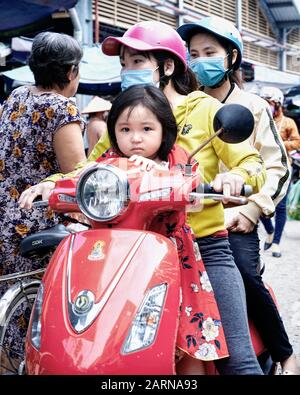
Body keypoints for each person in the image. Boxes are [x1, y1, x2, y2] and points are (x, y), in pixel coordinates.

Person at [19, 21, 266, 375]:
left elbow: (251, 162)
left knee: (237, 362)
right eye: (124, 63)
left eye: (137, 62)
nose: (127, 71)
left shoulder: (204, 109)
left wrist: (233, 178)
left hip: (199, 247)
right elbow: (91, 168)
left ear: (167, 66)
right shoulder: (125, 113)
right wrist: (53, 183)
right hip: (130, 247)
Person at [177, 15, 300, 375]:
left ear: (231, 58)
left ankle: (284, 353)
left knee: (245, 274)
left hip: (234, 220)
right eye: (194, 53)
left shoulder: (254, 107)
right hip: (188, 219)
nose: (201, 60)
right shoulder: (185, 106)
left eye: (210, 52)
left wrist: (250, 210)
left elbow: (278, 168)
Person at [94, 84, 230, 373]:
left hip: (172, 258)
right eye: (125, 129)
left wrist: (157, 173)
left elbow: (193, 195)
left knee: (186, 332)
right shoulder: (107, 162)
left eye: (146, 129)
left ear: (164, 129)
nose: (135, 139)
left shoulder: (177, 158)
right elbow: (85, 181)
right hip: (119, 259)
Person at [0, 32, 86, 368]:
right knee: (44, 304)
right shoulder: (61, 107)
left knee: (15, 300)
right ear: (70, 72)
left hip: (5, 216)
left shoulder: (17, 96)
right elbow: (74, 173)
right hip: (36, 219)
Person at [260, 86, 300, 258]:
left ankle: (276, 243)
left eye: (268, 102)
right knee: (260, 200)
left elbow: (297, 142)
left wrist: (279, 144)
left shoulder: (289, 123)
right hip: (262, 167)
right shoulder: (259, 119)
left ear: (277, 104)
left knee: (281, 206)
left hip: (284, 167)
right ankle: (269, 230)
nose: (266, 105)